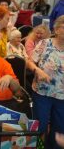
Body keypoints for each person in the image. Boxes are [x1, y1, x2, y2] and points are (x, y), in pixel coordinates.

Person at [31, 15, 64, 148]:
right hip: (42, 92)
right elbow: (29, 62)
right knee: (41, 126)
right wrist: (37, 70)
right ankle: (37, 147)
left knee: (59, 130)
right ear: (56, 29)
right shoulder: (45, 43)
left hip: (62, 96)